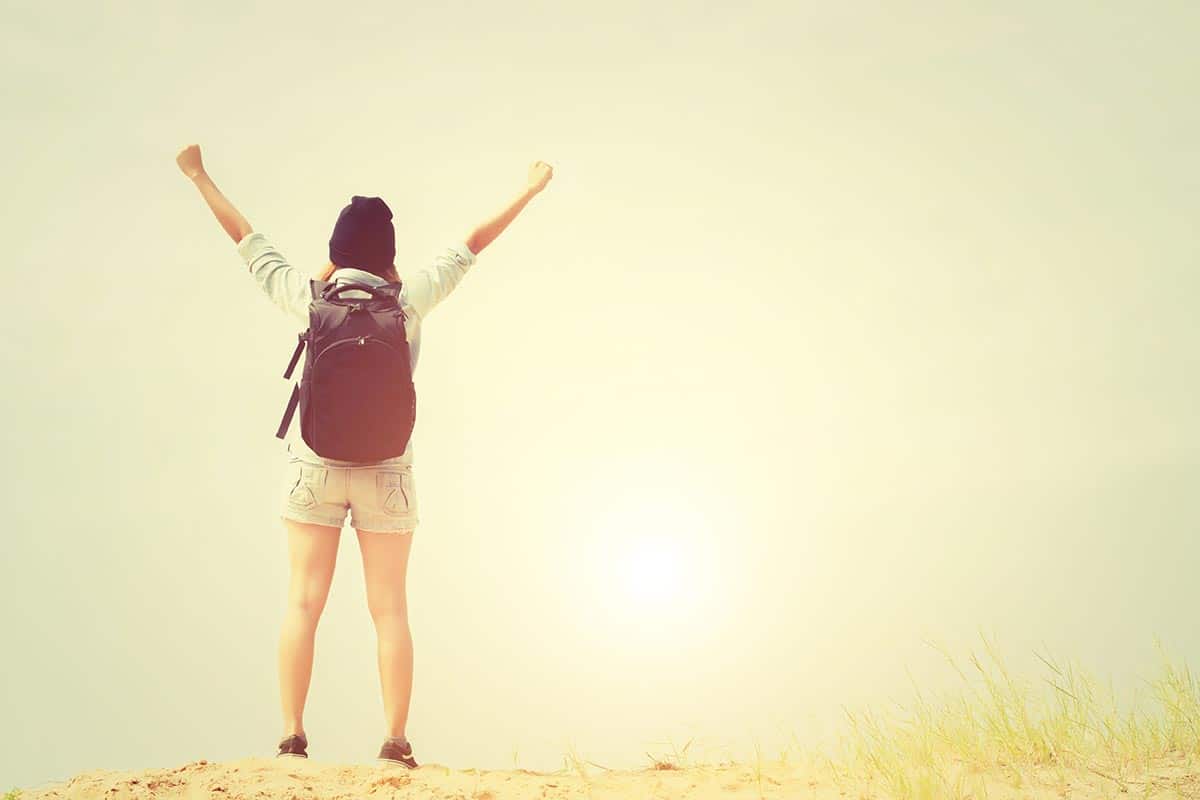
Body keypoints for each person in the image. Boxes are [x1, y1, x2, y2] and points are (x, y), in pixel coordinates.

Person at [174, 143, 553, 767]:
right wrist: (529, 190)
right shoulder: (408, 301)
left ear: (337, 250)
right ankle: (395, 742)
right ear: (389, 255)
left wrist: (198, 174)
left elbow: (245, 237)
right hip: (387, 471)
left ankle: (292, 738)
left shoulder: (308, 298)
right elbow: (472, 243)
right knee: (390, 609)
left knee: (302, 602)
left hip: (314, 466)